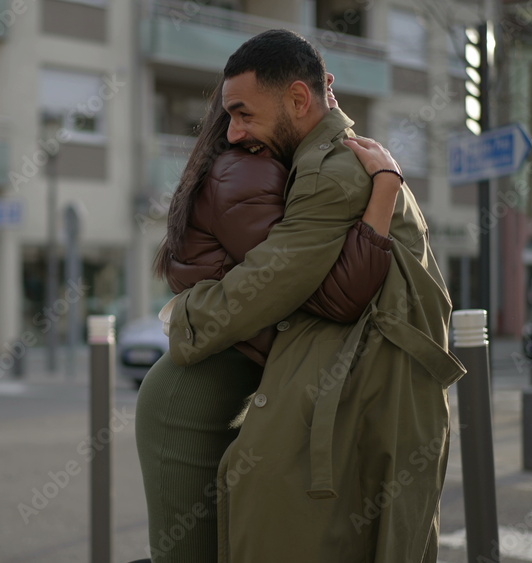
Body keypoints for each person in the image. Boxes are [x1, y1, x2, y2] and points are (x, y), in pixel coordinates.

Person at [163, 30, 466, 562]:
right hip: (388, 401)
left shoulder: (329, 169)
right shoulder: (348, 158)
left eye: (243, 114)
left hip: (369, 401)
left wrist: (185, 316)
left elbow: (272, 282)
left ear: (300, 99)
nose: (233, 133)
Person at [134, 74, 405, 562]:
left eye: (246, 115)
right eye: (234, 115)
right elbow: (336, 296)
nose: (237, 130)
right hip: (189, 407)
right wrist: (386, 187)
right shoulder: (247, 172)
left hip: (225, 393)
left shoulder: (282, 166)